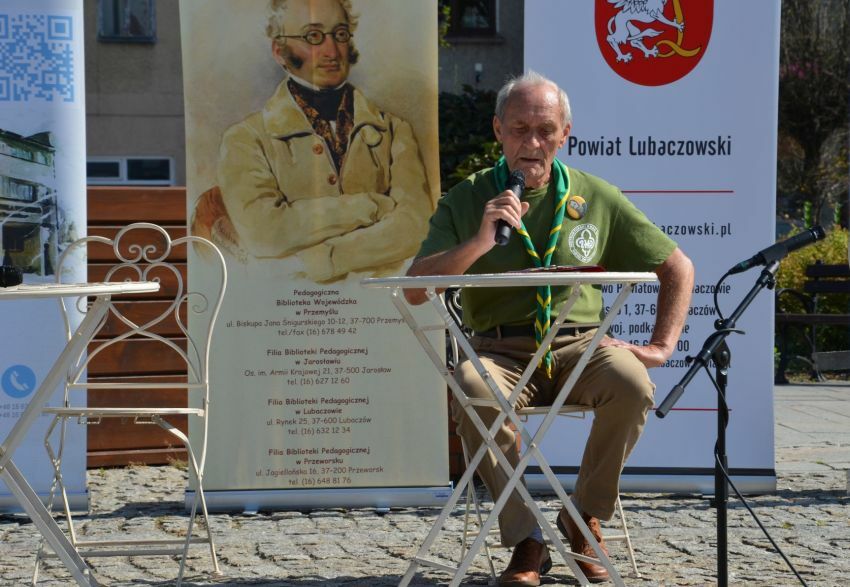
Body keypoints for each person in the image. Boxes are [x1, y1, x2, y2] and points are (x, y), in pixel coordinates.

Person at [405, 71, 694, 586]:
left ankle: (582, 517)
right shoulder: (469, 197)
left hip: (581, 345)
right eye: (519, 129)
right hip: (501, 349)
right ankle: (526, 541)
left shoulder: (595, 196)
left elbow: (677, 267)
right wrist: (479, 242)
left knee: (632, 383)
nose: (532, 144)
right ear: (498, 130)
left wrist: (661, 346)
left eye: (545, 131)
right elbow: (413, 288)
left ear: (565, 134)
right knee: (472, 388)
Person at [191, 0, 434, 282]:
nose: (332, 51)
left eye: (340, 34)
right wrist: (371, 206)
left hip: (376, 300)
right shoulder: (246, 139)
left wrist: (324, 259)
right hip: (285, 302)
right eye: (313, 36)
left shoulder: (393, 130)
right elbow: (263, 234)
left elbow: (417, 227)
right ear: (279, 50)